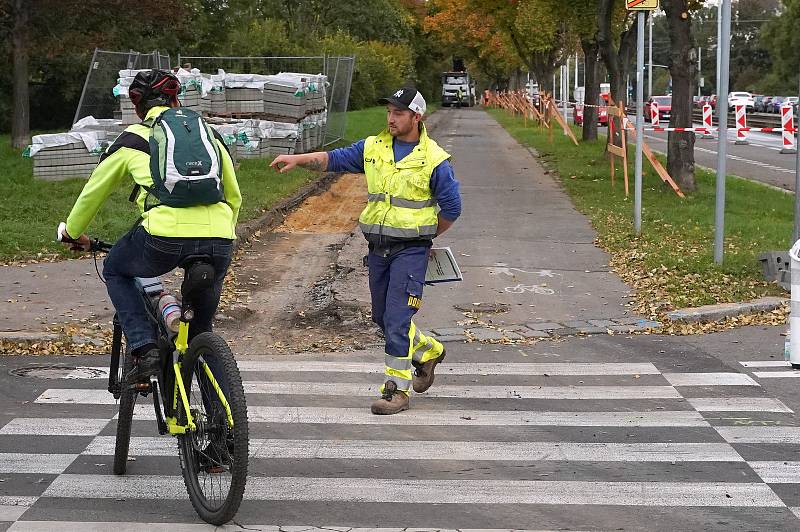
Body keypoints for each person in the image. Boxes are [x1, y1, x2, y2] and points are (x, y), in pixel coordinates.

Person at [271, 87, 462, 415]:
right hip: (378, 250)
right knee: (381, 318)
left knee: (398, 319)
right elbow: (333, 159)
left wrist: (423, 236)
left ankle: (397, 390)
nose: (391, 118)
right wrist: (298, 159)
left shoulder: (434, 160)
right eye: (389, 111)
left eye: (399, 113)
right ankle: (428, 350)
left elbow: (451, 208)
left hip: (411, 251)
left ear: (417, 117)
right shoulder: (373, 148)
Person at [59, 69, 242, 383]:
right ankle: (225, 424)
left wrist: (72, 232)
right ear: (175, 100)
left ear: (138, 107)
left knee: (116, 267)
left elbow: (93, 192)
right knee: (201, 331)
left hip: (163, 237)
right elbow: (234, 194)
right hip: (219, 237)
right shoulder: (207, 135)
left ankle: (145, 348)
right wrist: (222, 232)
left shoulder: (133, 138)